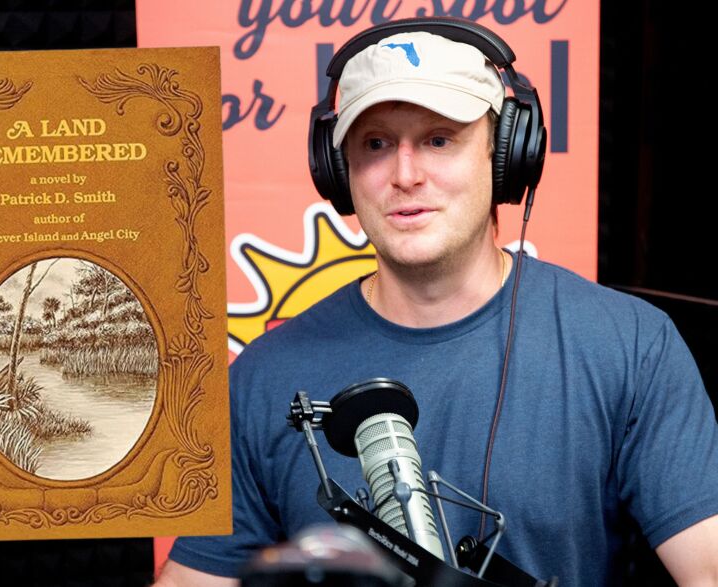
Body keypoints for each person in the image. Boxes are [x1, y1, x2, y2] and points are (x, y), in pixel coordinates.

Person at [156, 18, 718, 587]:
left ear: (505, 156)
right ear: (338, 170)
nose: (405, 174)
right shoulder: (264, 377)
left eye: (439, 139)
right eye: (376, 144)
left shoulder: (630, 346)